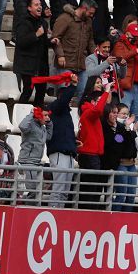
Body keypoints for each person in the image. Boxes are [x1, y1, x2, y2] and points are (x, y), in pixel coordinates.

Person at [13, 0, 52, 105]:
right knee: (27, 92)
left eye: (40, 4)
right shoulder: (24, 22)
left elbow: (43, 42)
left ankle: (37, 118)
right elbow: (21, 42)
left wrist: (51, 41)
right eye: (36, 5)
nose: (39, 6)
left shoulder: (43, 23)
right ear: (29, 8)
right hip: (28, 66)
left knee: (41, 93)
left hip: (41, 65)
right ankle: (19, 115)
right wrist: (36, 35)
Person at [76, 84, 110, 210]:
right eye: (98, 101)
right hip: (90, 156)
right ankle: (88, 215)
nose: (102, 104)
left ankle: (88, 213)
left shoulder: (87, 114)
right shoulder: (90, 112)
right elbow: (98, 110)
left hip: (89, 155)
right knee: (91, 190)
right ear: (92, 102)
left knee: (90, 189)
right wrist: (106, 93)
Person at [46, 75, 78, 208]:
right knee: (58, 189)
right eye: (68, 98)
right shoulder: (54, 107)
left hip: (68, 154)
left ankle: (59, 215)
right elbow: (64, 100)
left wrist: (74, 143)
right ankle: (52, 213)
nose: (70, 100)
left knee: (65, 190)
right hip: (59, 153)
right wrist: (73, 86)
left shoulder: (65, 113)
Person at [101, 102, 134, 210]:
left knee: (130, 195)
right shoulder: (104, 126)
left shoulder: (121, 127)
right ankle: (114, 220)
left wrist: (128, 128)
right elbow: (113, 142)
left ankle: (126, 221)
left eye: (116, 113)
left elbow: (128, 142)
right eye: (114, 113)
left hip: (130, 163)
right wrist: (120, 134)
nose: (115, 115)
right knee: (120, 194)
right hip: (115, 164)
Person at [112, 20, 138, 120]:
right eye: (133, 35)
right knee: (122, 115)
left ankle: (137, 135)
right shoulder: (120, 44)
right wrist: (136, 51)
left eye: (137, 35)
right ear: (126, 33)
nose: (135, 37)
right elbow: (119, 57)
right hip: (125, 85)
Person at [17, 105, 51, 203]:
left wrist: (49, 123)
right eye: (45, 115)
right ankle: (26, 210)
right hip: (27, 162)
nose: (48, 118)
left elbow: (48, 137)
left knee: (36, 190)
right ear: (38, 115)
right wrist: (32, 113)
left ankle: (30, 209)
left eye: (48, 116)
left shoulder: (43, 128)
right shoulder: (30, 124)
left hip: (36, 163)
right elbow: (22, 126)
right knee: (31, 190)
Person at [52, 0, 96, 74]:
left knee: (83, 86)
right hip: (66, 63)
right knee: (67, 85)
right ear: (84, 8)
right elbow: (55, 38)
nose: (91, 16)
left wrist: (95, 56)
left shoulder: (88, 21)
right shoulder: (65, 18)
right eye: (90, 13)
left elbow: (90, 41)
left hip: (82, 65)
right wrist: (60, 55)